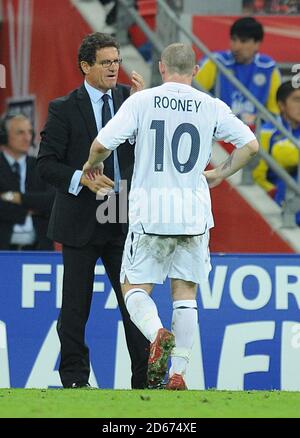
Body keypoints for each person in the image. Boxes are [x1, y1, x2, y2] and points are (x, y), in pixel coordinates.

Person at [83, 43, 259, 390]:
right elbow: (250, 146)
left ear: (161, 68)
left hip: (151, 211)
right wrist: (220, 173)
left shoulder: (142, 101)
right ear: (195, 71)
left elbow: (102, 144)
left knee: (133, 288)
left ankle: (156, 332)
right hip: (194, 214)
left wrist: (91, 165)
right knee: (185, 293)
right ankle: (178, 374)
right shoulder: (211, 106)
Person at [37, 32, 149, 389]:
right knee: (75, 306)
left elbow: (143, 153)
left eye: (117, 61)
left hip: (120, 211)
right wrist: (80, 179)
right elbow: (46, 164)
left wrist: (144, 107)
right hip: (81, 215)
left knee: (134, 304)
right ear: (86, 66)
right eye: (106, 62)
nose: (114, 68)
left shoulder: (131, 103)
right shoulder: (63, 108)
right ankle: (74, 379)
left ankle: (145, 381)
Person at [194, 16, 281, 126]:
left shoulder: (268, 67)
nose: (236, 46)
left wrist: (258, 120)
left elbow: (275, 112)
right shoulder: (216, 62)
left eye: (243, 41)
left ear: (257, 44)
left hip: (255, 134)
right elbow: (192, 97)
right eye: (234, 39)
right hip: (218, 133)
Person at [0, 114, 54, 250]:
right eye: (20, 132)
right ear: (4, 136)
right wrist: (32, 208)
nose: (27, 138)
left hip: (40, 249)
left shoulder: (41, 165)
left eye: (30, 132)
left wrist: (18, 198)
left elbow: (52, 201)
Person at [253, 81, 300, 222]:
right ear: (281, 105)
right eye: (297, 100)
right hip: (280, 196)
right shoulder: (267, 132)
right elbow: (258, 174)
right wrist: (272, 192)